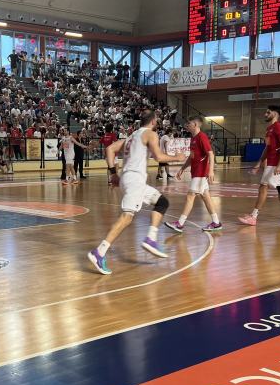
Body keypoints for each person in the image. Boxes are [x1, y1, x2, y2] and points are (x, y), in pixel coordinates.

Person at [87, 110, 187, 275]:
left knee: (162, 202)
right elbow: (159, 157)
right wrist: (177, 157)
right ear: (153, 121)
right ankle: (99, 252)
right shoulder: (150, 134)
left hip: (130, 180)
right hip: (134, 181)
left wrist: (113, 174)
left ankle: (151, 238)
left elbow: (110, 149)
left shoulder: (131, 136)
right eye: (157, 121)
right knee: (127, 217)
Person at [238, 106, 280, 227]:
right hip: (272, 163)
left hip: (277, 164)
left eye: (268, 112)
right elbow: (267, 148)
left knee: (266, 188)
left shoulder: (278, 127)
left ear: (275, 114)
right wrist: (259, 163)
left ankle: (254, 217)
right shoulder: (269, 129)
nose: (265, 114)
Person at [164, 115, 222, 233]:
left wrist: (210, 171)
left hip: (200, 173)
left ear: (195, 125)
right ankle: (216, 222)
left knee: (190, 197)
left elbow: (211, 154)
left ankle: (180, 223)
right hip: (195, 173)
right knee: (206, 197)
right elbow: (192, 157)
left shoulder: (202, 137)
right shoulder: (193, 138)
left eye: (189, 123)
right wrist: (182, 168)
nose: (187, 125)